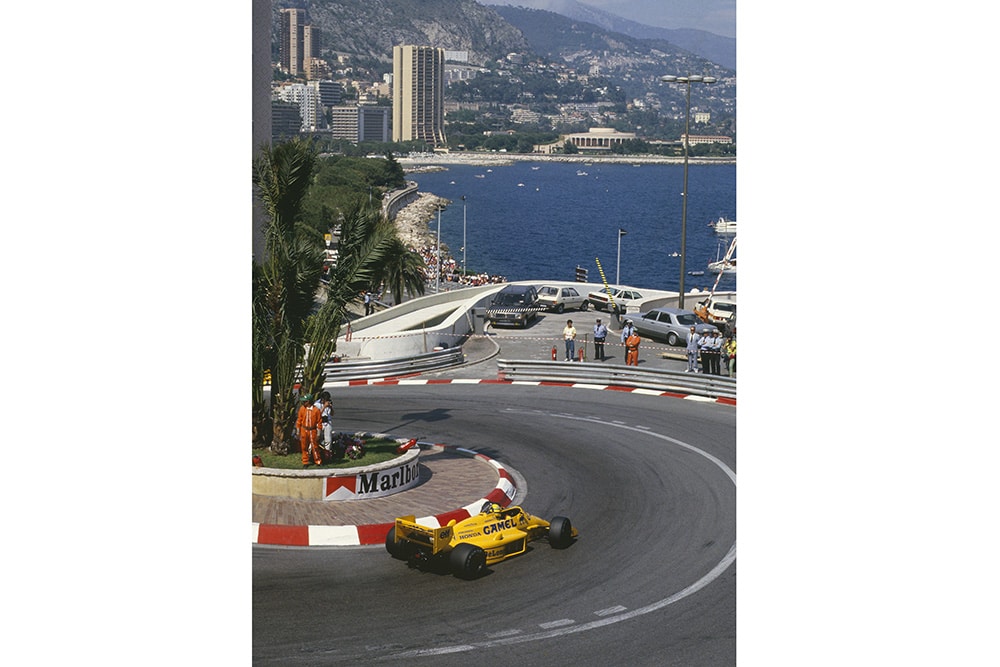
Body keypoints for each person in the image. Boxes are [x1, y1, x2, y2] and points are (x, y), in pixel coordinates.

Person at [295, 394, 324, 467]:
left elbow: (319, 422)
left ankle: (317, 460)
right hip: (304, 430)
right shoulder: (302, 409)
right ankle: (305, 461)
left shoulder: (316, 410)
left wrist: (318, 433)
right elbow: (299, 420)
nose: (303, 403)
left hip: (312, 430)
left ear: (309, 401)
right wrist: (298, 431)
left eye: (305, 401)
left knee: (315, 446)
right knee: (304, 446)